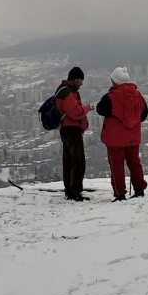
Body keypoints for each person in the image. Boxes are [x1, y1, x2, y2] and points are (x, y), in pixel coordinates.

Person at [96, 67, 148, 201]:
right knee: (135, 163)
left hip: (115, 138)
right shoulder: (139, 96)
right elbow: (143, 115)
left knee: (117, 166)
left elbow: (100, 110)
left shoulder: (110, 97)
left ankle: (120, 194)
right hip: (133, 137)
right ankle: (139, 189)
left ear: (114, 81)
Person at [54, 67, 93, 201]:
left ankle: (69, 189)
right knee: (78, 161)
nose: (82, 83)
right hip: (71, 129)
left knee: (68, 160)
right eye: (81, 80)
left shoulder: (62, 89)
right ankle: (75, 191)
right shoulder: (69, 92)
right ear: (75, 78)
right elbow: (75, 112)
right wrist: (86, 109)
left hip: (65, 129)